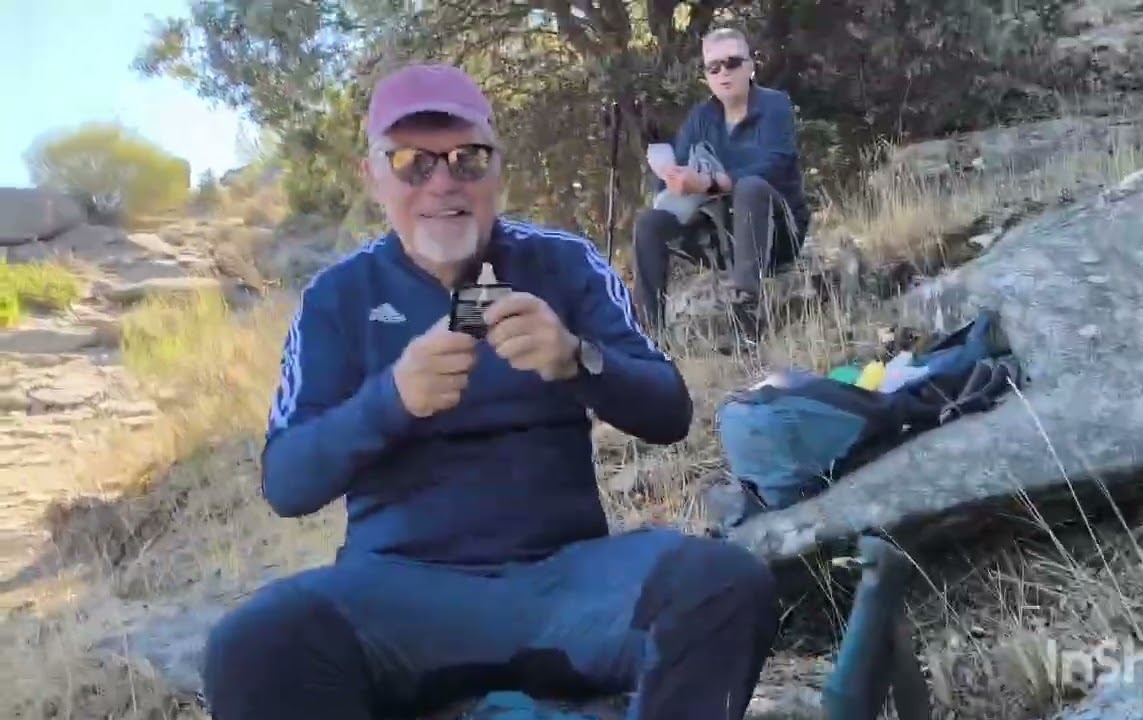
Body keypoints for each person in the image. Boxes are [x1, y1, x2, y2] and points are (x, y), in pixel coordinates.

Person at [199, 62, 780, 720]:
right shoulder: (338, 296)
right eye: (412, 162)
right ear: (373, 177)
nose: (442, 183)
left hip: (568, 584)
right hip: (399, 597)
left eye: (467, 159)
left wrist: (577, 360)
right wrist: (391, 400)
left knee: (725, 585)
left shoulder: (563, 262)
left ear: (498, 167)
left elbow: (670, 411)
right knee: (253, 646)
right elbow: (287, 481)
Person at [631, 27, 810, 348]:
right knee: (649, 223)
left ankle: (747, 321)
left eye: (732, 63)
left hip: (777, 235)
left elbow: (775, 165)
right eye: (713, 67)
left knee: (751, 187)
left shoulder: (774, 105)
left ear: (750, 66)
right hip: (721, 240)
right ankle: (648, 336)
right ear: (706, 75)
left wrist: (711, 182)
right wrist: (672, 179)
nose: (723, 73)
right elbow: (673, 176)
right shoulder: (701, 117)